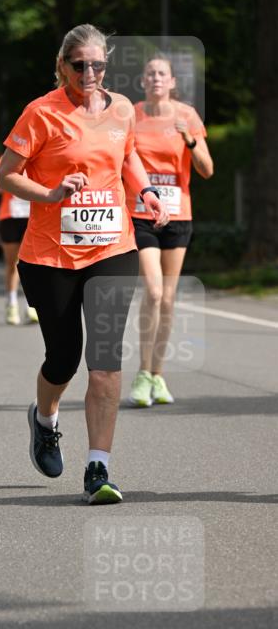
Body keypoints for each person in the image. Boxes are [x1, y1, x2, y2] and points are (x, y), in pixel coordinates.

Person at [0, 23, 169, 504]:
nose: (90, 73)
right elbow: (6, 175)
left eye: (98, 65)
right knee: (64, 357)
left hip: (112, 247)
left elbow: (128, 157)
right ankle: (45, 420)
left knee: (105, 363)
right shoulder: (41, 113)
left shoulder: (121, 109)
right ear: (62, 66)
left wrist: (148, 192)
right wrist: (51, 193)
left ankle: (99, 467)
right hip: (50, 255)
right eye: (80, 65)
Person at [128, 55, 214, 406]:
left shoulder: (187, 115)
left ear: (173, 81)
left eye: (162, 73)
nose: (156, 78)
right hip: (141, 213)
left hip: (178, 214)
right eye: (150, 73)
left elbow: (207, 169)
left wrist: (189, 141)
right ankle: (143, 374)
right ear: (143, 81)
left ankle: (158, 376)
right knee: (153, 291)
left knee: (169, 297)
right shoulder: (131, 114)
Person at [0, 156, 38, 325]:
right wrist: (14, 181)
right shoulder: (8, 157)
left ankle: (31, 306)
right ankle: (12, 303)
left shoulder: (40, 156)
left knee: (32, 263)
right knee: (13, 263)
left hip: (33, 216)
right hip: (10, 216)